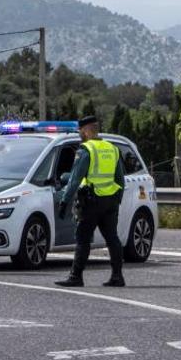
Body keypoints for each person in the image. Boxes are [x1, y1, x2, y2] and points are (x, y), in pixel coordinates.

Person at [54, 116, 126, 288]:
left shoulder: (86, 150)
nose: (79, 134)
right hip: (110, 201)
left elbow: (74, 179)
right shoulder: (112, 148)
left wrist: (64, 202)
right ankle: (117, 276)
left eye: (80, 131)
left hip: (91, 201)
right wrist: (117, 200)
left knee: (83, 239)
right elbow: (120, 179)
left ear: (86, 130)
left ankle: (75, 276)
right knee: (112, 238)